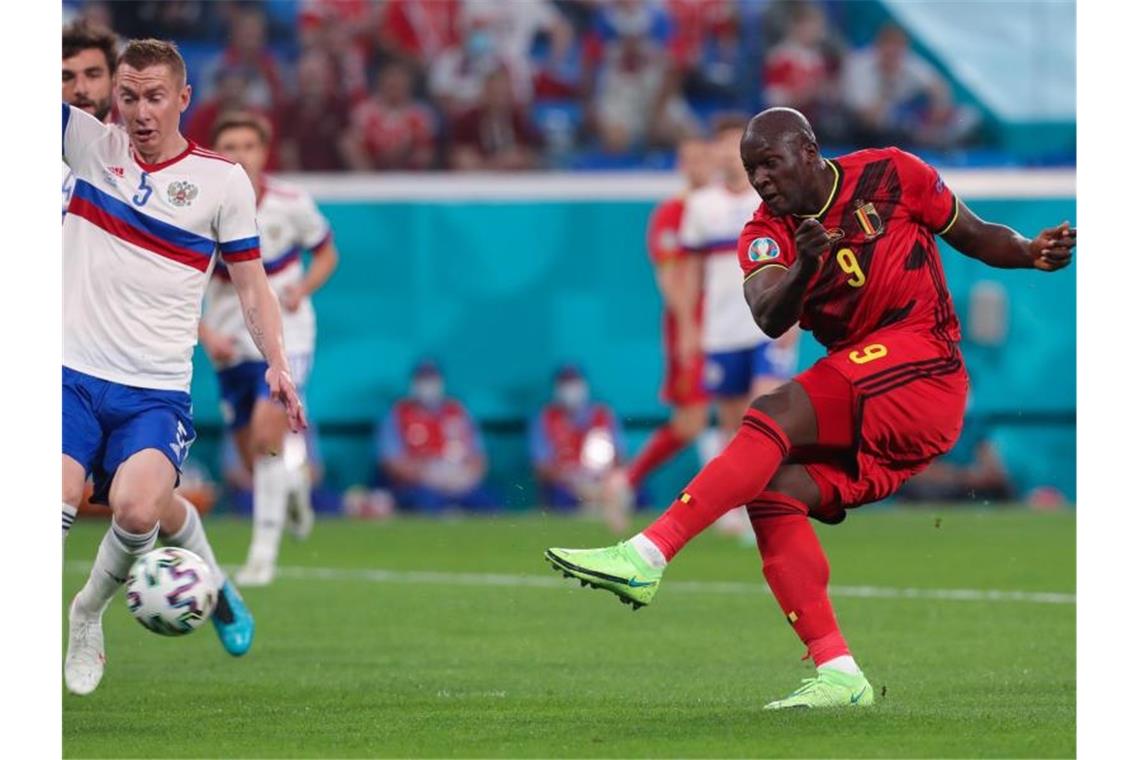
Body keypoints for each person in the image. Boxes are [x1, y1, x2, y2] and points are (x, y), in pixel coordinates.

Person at [545, 106, 1074, 709]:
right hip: (878, 410)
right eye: (751, 169)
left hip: (925, 366)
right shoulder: (763, 233)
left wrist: (1030, 250)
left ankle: (648, 553)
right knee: (772, 493)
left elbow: (976, 235)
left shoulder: (892, 174)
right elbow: (769, 315)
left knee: (774, 410)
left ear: (808, 149)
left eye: (770, 162)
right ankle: (839, 673)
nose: (761, 178)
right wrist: (805, 265)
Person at [62, 39, 305, 696]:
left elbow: (252, 287)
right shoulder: (87, 145)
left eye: (155, 96)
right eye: (129, 96)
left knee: (140, 512)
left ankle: (86, 611)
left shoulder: (222, 181)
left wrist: (277, 363)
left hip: (154, 389)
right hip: (69, 375)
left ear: (183, 99)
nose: (141, 112)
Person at [200, 111, 339, 586]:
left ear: (263, 152)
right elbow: (176, 281)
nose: (240, 155)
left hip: (287, 335)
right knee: (252, 455)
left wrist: (304, 290)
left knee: (266, 434)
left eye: (248, 145)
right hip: (229, 342)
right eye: (230, 146)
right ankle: (295, 484)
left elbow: (326, 250)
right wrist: (205, 334)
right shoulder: (200, 207)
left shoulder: (291, 202)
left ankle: (263, 555)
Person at [680, 115, 799, 534]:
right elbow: (691, 271)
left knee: (761, 413)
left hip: (765, 323)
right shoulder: (700, 206)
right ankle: (732, 504)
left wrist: (794, 318)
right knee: (731, 422)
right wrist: (689, 327)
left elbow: (794, 259)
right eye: (724, 146)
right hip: (720, 329)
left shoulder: (770, 201)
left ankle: (767, 506)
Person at [602, 136, 713, 530]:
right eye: (691, 157)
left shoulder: (725, 206)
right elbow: (670, 276)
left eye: (705, 155)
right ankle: (626, 480)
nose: (700, 164)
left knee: (743, 409)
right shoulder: (673, 213)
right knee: (691, 422)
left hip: (732, 322)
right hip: (695, 324)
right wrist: (687, 327)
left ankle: (736, 505)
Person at [376, 361, 499, 514]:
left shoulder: (458, 411)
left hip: (459, 481)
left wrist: (465, 478)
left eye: (431, 379)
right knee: (427, 503)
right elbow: (391, 462)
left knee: (488, 503)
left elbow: (479, 458)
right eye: (422, 379)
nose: (427, 385)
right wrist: (429, 475)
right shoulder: (398, 414)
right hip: (419, 485)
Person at [841, 24, 978, 149]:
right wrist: (887, 83)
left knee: (968, 115)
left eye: (898, 49)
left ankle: (937, 140)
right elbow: (866, 117)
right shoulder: (859, 65)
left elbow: (938, 86)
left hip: (904, 119)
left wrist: (938, 110)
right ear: (878, 46)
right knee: (890, 122)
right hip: (864, 125)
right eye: (889, 48)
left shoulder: (908, 62)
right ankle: (927, 139)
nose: (893, 54)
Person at [531, 366, 629, 511]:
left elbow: (621, 459)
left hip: (603, 481)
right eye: (565, 384)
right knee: (560, 496)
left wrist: (607, 481)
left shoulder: (603, 414)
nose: (570, 389)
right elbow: (541, 467)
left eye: (574, 382)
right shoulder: (545, 418)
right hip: (566, 485)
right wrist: (573, 480)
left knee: (635, 493)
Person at [62, 20, 118, 217]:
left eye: (93, 75)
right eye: (66, 77)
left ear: (115, 81)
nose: (80, 89)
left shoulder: (139, 158)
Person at [341, 60, 436, 171]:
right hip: (372, 169)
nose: (395, 84)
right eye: (391, 81)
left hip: (407, 173)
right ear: (381, 82)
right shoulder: (365, 112)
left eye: (399, 81)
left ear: (408, 84)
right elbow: (352, 143)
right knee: (348, 142)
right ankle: (370, 183)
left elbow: (426, 152)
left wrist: (404, 151)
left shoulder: (419, 115)